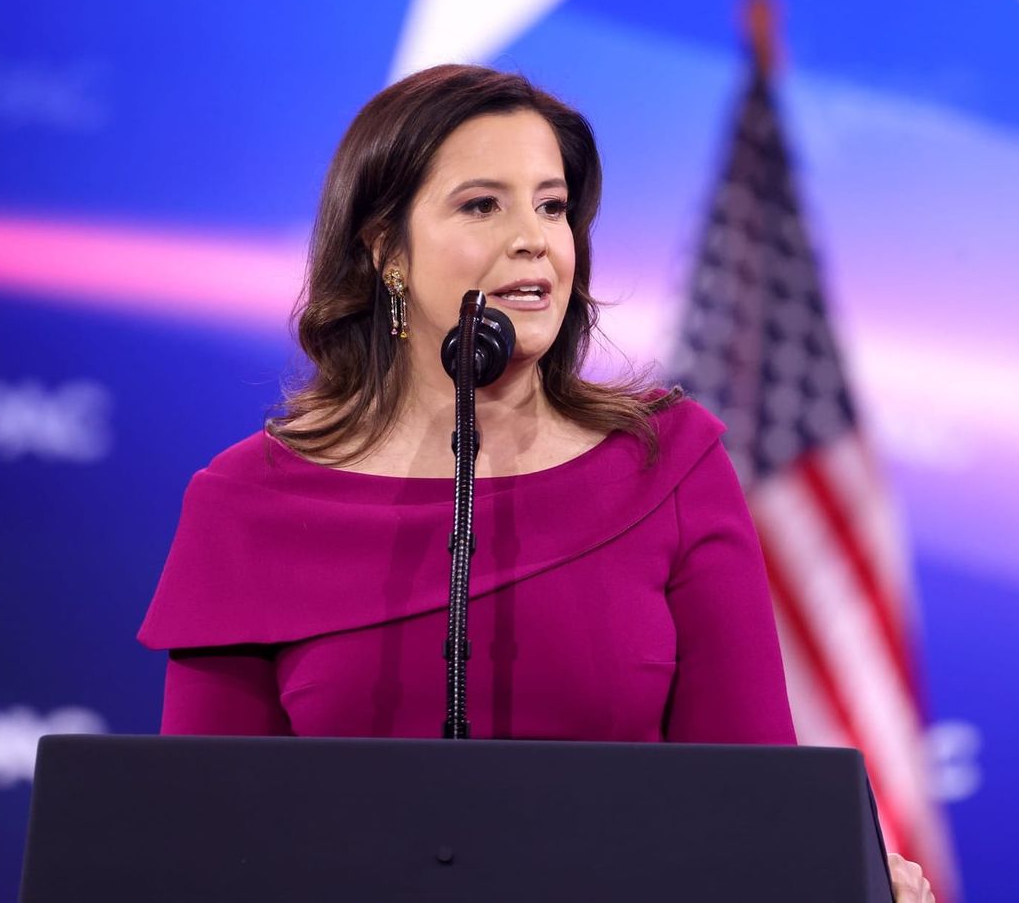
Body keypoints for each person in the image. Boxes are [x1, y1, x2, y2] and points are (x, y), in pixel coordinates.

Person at [138, 64, 933, 903]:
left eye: (552, 206)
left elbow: (750, 804)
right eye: (482, 205)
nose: (535, 239)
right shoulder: (250, 503)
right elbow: (207, 847)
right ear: (385, 252)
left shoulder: (668, 466)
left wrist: (832, 868)